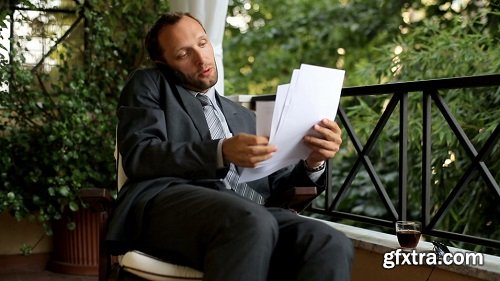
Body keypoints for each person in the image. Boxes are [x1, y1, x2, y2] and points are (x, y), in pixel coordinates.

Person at [106, 12, 353, 281]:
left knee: (329, 241)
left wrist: (313, 161)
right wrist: (220, 151)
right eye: (182, 54)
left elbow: (280, 186)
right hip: (169, 204)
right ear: (163, 64)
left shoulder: (245, 117)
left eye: (202, 43)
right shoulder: (150, 84)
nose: (201, 58)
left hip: (254, 213)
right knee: (250, 221)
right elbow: (141, 155)